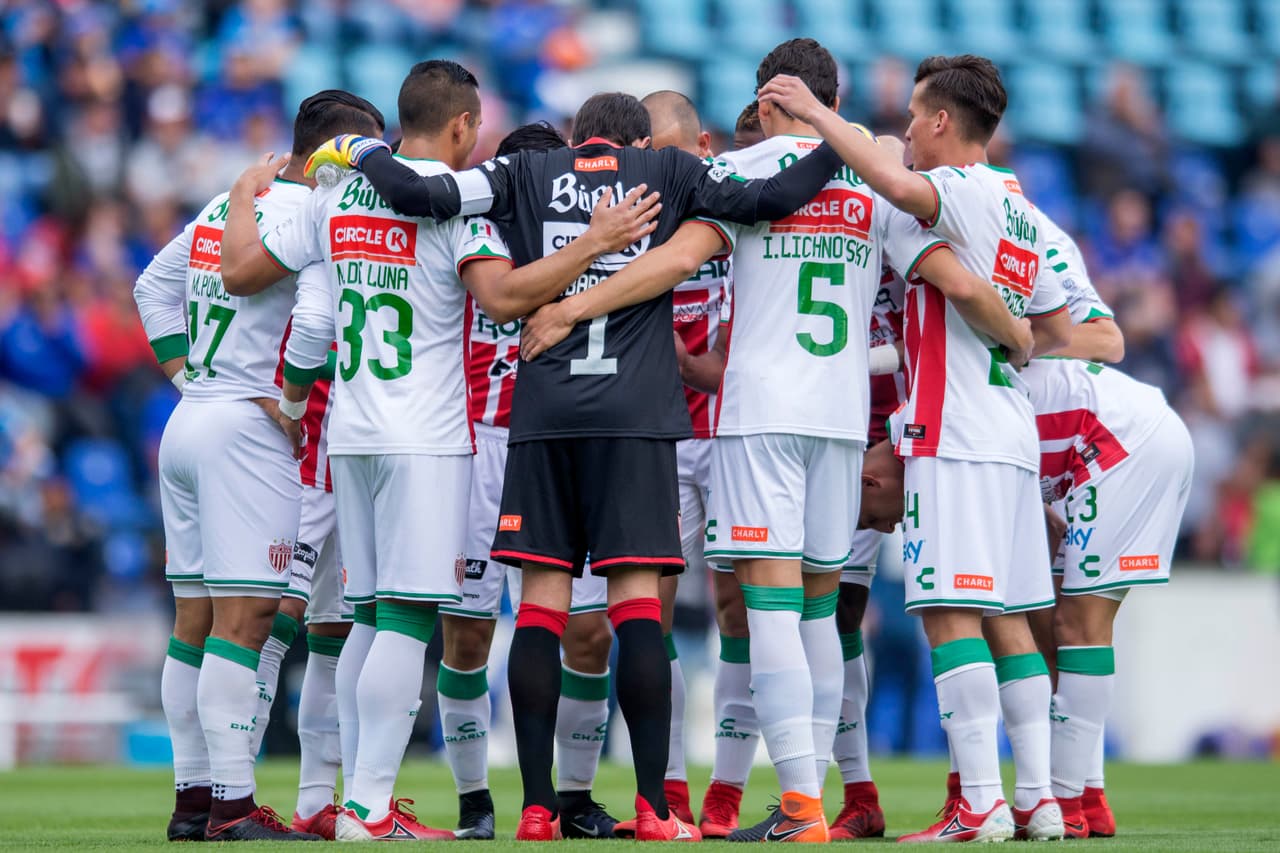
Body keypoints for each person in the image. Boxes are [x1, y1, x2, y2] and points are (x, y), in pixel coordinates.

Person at [520, 42, 1039, 845]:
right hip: (840, 417)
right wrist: (1017, 333)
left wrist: (566, 310)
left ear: (767, 102)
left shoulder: (737, 173)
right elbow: (952, 283)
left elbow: (669, 265)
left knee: (766, 609)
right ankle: (823, 797)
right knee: (821, 614)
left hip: (759, 412)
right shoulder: (875, 184)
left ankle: (799, 808)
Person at [309, 87, 850, 841]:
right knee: (635, 608)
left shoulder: (525, 174)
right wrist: (842, 133)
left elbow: (413, 188)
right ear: (634, 143)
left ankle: (534, 810)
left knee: (538, 607)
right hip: (634, 418)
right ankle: (657, 809)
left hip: (541, 416)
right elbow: (778, 195)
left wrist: (357, 147)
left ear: (577, 137)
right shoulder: (668, 170)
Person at [220, 61, 660, 841]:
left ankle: (355, 796)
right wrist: (595, 243)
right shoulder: (460, 208)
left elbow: (309, 319)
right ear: (462, 127)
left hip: (348, 431)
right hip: (423, 435)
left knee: (362, 618)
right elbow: (504, 298)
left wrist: (292, 404)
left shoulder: (340, 195)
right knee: (408, 619)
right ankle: (370, 809)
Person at [760, 55, 1073, 842]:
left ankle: (979, 801)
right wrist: (1018, 332)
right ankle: (1037, 798)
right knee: (1011, 619)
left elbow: (947, 261)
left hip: (954, 431)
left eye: (911, 116)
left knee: (948, 612)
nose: (901, 132)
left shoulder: (955, 194)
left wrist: (824, 117)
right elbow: (1054, 323)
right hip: (1009, 431)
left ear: (941, 122)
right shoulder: (1022, 207)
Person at [132, 89, 385, 842]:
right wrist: (291, 399)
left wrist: (187, 380)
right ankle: (235, 807)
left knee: (193, 623)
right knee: (242, 625)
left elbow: (151, 287)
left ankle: (191, 800)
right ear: (338, 155)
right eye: (366, 157)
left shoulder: (225, 204)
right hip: (247, 430)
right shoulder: (313, 215)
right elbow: (311, 320)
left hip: (190, 421)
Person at [438, 121, 618, 841]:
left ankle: (573, 797)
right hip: (478, 448)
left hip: (562, 445)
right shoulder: (470, 233)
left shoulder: (590, 244)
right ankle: (475, 797)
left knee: (587, 633)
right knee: (468, 634)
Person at [637, 88, 723, 828]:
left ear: (701, 146)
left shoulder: (732, 207)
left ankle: (727, 790)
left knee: (744, 609)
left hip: (729, 435)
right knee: (650, 615)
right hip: (662, 441)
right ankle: (664, 786)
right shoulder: (630, 216)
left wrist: (692, 368)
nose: (653, 169)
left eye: (665, 153)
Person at [248, 340, 349, 840]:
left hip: (357, 471)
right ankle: (232, 795)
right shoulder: (298, 265)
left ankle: (314, 803)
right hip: (300, 468)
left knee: (337, 632)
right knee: (272, 618)